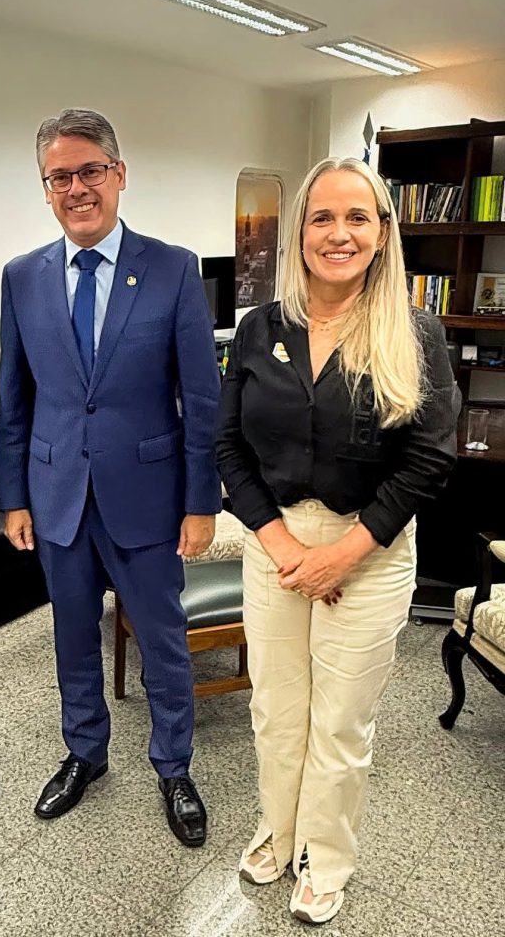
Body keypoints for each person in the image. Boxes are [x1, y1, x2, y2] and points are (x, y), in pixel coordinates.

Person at [216, 157, 459, 923]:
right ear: (301, 232)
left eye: (357, 217)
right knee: (277, 709)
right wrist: (284, 545)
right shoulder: (261, 328)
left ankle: (325, 857)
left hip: (371, 549)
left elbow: (430, 458)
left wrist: (343, 556)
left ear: (383, 233)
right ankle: (279, 831)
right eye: (322, 217)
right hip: (275, 544)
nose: (338, 233)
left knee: (340, 722)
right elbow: (228, 445)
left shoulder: (415, 332)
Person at [0, 109, 221, 846]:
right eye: (59, 176)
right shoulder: (22, 277)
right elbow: (15, 397)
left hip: (149, 498)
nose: (77, 188)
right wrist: (14, 497)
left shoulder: (173, 268)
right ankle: (85, 752)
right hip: (57, 495)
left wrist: (200, 501)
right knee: (71, 637)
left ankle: (173, 766)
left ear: (119, 175)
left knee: (162, 640)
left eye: (90, 170)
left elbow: (202, 396)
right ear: (46, 189)